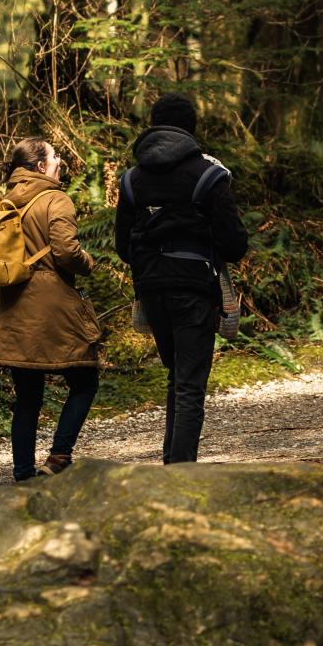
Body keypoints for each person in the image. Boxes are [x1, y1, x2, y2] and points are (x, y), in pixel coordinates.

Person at [114, 93, 248, 464]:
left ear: (153, 125)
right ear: (192, 128)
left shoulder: (132, 179)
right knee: (190, 383)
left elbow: (123, 247)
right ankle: (179, 472)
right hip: (193, 290)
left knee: (177, 377)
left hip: (152, 290)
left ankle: (173, 462)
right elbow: (235, 244)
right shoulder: (209, 175)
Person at [0, 137, 103, 481]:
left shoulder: (5, 202)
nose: (60, 161)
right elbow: (66, 251)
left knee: (27, 398)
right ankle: (59, 457)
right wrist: (89, 263)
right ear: (40, 166)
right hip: (53, 306)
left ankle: (23, 474)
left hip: (12, 306)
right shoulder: (56, 199)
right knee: (84, 380)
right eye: (55, 157)